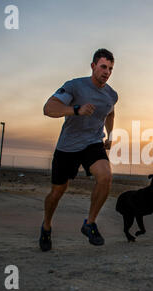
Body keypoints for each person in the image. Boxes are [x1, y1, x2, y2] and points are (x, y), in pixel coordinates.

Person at [39, 48, 118, 251]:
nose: (106, 72)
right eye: (103, 67)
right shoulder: (74, 86)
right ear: (93, 66)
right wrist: (76, 110)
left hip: (93, 143)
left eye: (110, 68)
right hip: (68, 147)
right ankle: (46, 226)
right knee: (57, 192)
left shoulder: (111, 95)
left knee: (106, 176)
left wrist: (109, 134)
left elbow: (110, 113)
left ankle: (89, 223)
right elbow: (49, 108)